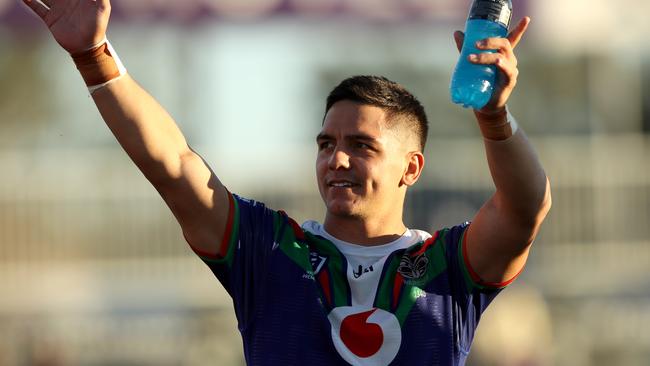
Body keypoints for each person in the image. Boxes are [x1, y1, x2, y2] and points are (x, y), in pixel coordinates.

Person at [21, 0, 551, 365]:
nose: (337, 159)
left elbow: (525, 208)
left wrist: (494, 117)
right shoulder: (271, 250)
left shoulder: (447, 268)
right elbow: (176, 167)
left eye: (362, 146)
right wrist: (94, 59)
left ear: (411, 168)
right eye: (326, 144)